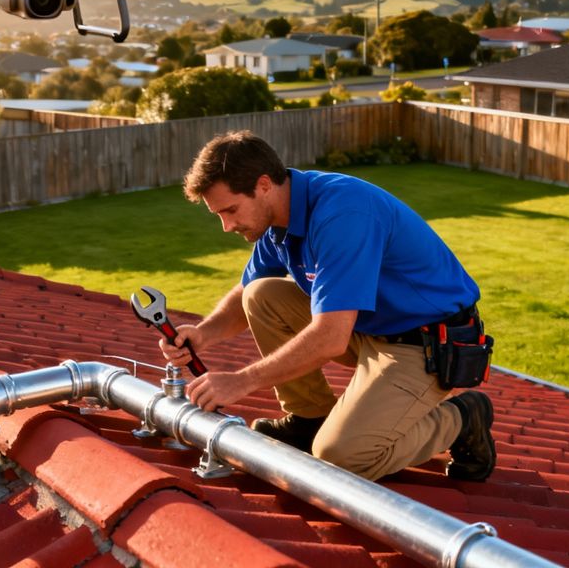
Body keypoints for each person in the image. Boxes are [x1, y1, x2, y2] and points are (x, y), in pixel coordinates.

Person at [158, 130, 495, 481]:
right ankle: (309, 419)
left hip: (423, 344)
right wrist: (202, 334)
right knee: (260, 295)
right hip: (368, 328)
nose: (227, 226)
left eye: (230, 210)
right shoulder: (279, 218)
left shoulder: (341, 215)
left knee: (340, 458)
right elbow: (245, 292)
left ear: (262, 185)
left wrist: (241, 381)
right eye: (218, 215)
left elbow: (331, 337)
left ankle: (462, 419)